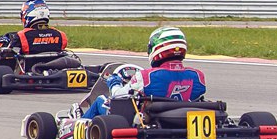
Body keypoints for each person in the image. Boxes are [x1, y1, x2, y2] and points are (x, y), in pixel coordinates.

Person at [73, 27, 207, 119]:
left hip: (148, 120)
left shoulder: (146, 77)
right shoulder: (198, 76)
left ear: (157, 49)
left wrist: (114, 83)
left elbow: (118, 96)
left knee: (101, 100)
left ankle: (79, 124)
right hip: (181, 120)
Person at [0, 0, 68, 70]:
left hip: (28, 73)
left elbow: (8, 54)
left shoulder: (21, 36)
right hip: (54, 71)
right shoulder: (61, 35)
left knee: (2, 46)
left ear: (27, 15)